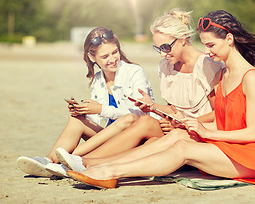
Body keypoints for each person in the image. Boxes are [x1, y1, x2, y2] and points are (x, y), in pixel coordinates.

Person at [66, 10, 255, 188]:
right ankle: (96, 164)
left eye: (211, 45)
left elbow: (252, 133)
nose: (207, 51)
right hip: (230, 146)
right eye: (205, 45)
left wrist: (206, 132)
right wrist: (180, 119)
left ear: (230, 39)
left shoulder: (251, 77)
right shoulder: (225, 74)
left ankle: (109, 173)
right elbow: (224, 119)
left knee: (183, 149)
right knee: (177, 135)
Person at [53, 9, 224, 173]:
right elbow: (173, 110)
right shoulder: (167, 66)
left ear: (182, 39)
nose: (163, 54)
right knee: (144, 123)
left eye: (165, 47)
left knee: (143, 125)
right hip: (175, 127)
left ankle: (81, 161)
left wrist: (182, 123)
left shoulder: (207, 65)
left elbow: (220, 114)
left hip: (197, 130)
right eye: (158, 49)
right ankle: (70, 161)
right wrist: (153, 107)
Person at [17, 27, 155, 177]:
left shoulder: (134, 72)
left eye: (115, 52)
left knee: (129, 118)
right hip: (112, 136)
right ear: (92, 57)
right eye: (105, 56)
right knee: (77, 120)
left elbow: (140, 114)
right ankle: (48, 160)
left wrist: (100, 109)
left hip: (136, 135)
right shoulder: (97, 80)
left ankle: (71, 159)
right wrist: (83, 112)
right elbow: (97, 120)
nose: (112, 59)